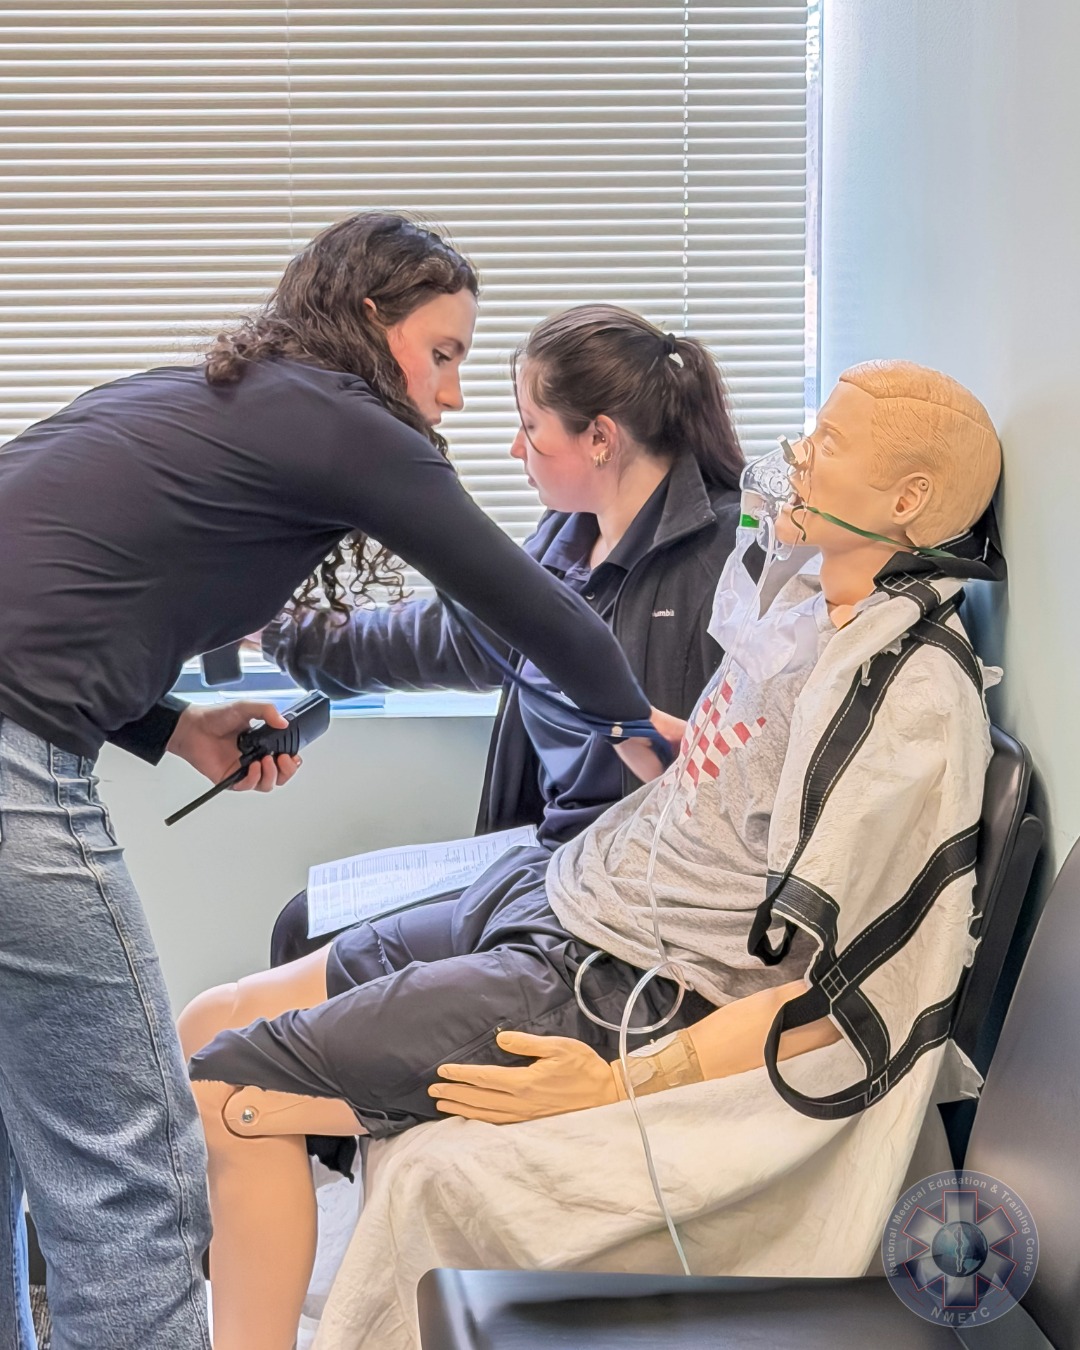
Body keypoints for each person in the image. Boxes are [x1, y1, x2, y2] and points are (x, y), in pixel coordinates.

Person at [181, 358, 1004, 1350]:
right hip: (561, 887)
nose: (794, 457)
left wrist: (624, 1081)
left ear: (906, 502)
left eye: (826, 446)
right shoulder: (799, 599)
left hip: (623, 973)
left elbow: (848, 989)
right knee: (209, 1016)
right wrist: (675, 748)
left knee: (230, 1086)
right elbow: (747, 781)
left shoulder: (903, 694)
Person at [0, 212, 672, 1350]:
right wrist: (636, 730)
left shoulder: (214, 397)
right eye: (443, 354)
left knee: (26, 1127)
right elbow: (530, 610)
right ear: (370, 321)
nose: (453, 396)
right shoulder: (344, 418)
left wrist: (174, 727)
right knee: (134, 1170)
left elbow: (47, 604)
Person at [266, 303, 744, 967]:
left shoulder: (727, 558)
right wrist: (278, 629)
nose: (516, 448)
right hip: (541, 850)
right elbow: (454, 638)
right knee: (308, 920)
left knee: (315, 941)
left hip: (620, 882)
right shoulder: (562, 541)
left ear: (600, 438)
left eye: (530, 426)